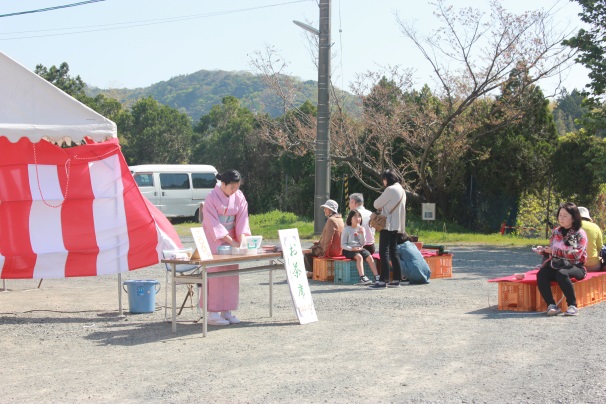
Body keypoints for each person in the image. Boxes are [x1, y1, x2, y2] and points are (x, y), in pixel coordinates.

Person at [201, 169, 251, 326]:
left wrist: (241, 239)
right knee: (215, 275)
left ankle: (227, 311)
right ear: (223, 184)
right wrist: (231, 241)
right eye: (232, 187)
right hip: (214, 239)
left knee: (231, 274)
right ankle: (212, 313)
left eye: (237, 187)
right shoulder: (211, 197)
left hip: (233, 237)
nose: (235, 190)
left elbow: (243, 218)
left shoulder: (239, 196)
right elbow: (212, 223)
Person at [535, 202, 587, 316]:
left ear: (573, 218)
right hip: (558, 264)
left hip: (576, 266)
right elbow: (553, 251)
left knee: (562, 273)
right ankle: (551, 305)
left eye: (565, 216)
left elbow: (575, 254)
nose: (561, 218)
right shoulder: (556, 231)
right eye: (560, 215)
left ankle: (572, 305)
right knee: (542, 274)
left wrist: (553, 251)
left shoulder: (577, 233)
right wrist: (543, 250)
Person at [369, 169, 407, 289]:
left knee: (383, 252)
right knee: (393, 251)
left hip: (387, 224)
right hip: (397, 225)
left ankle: (383, 281)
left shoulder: (390, 189)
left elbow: (376, 204)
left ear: (387, 179)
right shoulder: (401, 189)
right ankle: (396, 279)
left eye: (384, 180)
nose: (383, 182)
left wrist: (382, 207)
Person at [303, 199, 344, 276]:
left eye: (326, 208)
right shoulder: (340, 219)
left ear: (331, 210)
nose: (324, 210)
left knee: (307, 252)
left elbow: (329, 239)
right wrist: (319, 243)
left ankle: (311, 272)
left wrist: (325, 253)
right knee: (312, 248)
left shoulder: (331, 220)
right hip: (339, 250)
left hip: (330, 250)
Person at [341, 209, 379, 285]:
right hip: (348, 249)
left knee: (369, 256)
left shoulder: (361, 229)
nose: (358, 219)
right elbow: (343, 244)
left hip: (359, 248)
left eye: (359, 217)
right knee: (359, 257)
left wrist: (362, 234)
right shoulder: (347, 229)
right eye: (355, 217)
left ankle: (377, 276)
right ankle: (362, 277)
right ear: (350, 219)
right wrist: (352, 249)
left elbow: (363, 243)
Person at [578, 206, 603, 272]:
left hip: (577, 266)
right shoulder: (595, 227)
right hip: (594, 266)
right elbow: (600, 247)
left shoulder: (571, 226)